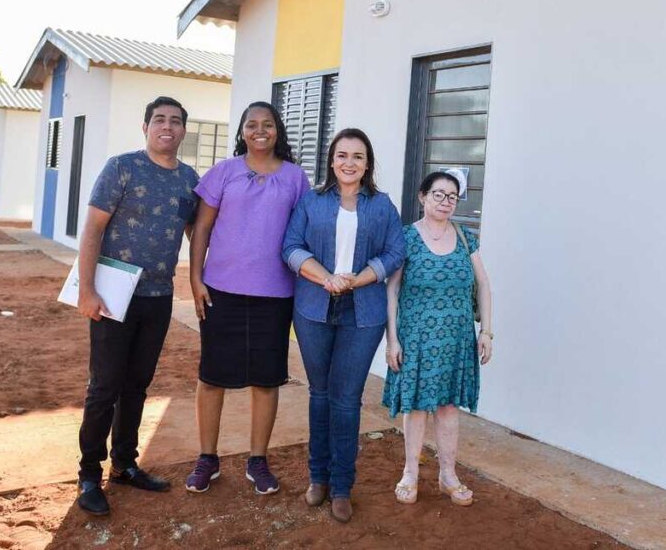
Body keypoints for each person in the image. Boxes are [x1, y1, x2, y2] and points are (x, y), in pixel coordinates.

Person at [74, 96, 200, 516]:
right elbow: (93, 228)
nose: (168, 126)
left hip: (158, 298)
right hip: (114, 293)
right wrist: (87, 289)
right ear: (145, 127)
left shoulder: (188, 180)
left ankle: (125, 464)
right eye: (160, 119)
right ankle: (89, 473)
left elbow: (195, 235)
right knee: (104, 386)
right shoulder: (121, 167)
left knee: (137, 386)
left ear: (184, 131)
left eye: (176, 121)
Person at [184, 101, 310, 496]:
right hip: (221, 290)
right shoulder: (223, 172)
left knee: (266, 379)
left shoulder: (295, 178)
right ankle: (208, 458)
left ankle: (258, 460)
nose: (260, 131)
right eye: (252, 125)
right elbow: (201, 228)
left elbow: (303, 231)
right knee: (212, 377)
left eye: (267, 124)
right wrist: (195, 278)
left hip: (275, 294)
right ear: (241, 131)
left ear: (278, 131)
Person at [282, 128, 406, 522]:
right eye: (341, 155)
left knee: (347, 399)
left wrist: (358, 278)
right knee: (320, 394)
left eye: (357, 156)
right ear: (331, 161)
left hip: (363, 313)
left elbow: (395, 251)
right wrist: (327, 278)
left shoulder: (382, 205)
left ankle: (341, 486)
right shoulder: (311, 201)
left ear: (367, 163)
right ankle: (317, 477)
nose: (349, 163)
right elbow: (290, 247)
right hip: (314, 308)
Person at [381, 171, 493, 507]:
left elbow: (484, 285)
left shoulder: (464, 237)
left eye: (452, 196)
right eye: (438, 194)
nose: (445, 201)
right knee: (416, 407)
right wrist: (392, 340)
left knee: (447, 407)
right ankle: (410, 473)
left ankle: (448, 475)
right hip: (416, 338)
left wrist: (486, 330)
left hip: (456, 339)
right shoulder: (406, 238)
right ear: (422, 197)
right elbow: (393, 290)